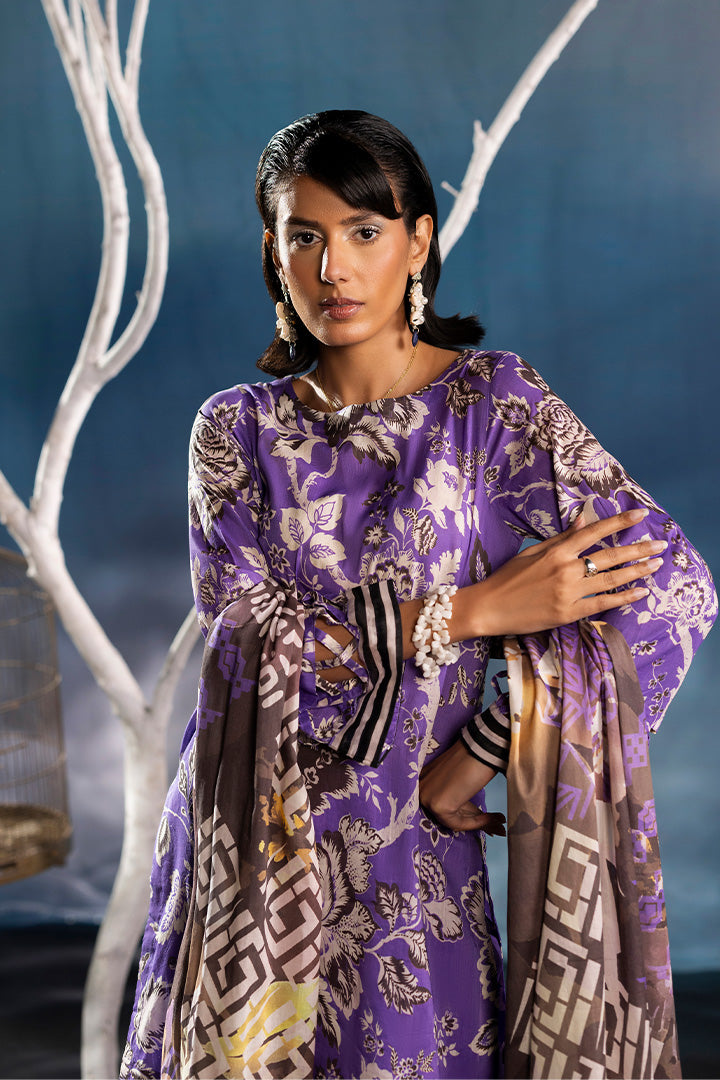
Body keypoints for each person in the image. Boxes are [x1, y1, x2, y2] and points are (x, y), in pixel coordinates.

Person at [121, 111, 716, 1080]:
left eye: (364, 232)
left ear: (419, 240)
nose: (333, 270)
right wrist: (471, 613)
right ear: (273, 253)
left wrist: (481, 754)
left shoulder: (493, 409)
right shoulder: (236, 431)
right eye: (303, 237)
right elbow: (243, 636)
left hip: (410, 852)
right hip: (255, 836)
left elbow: (673, 591)